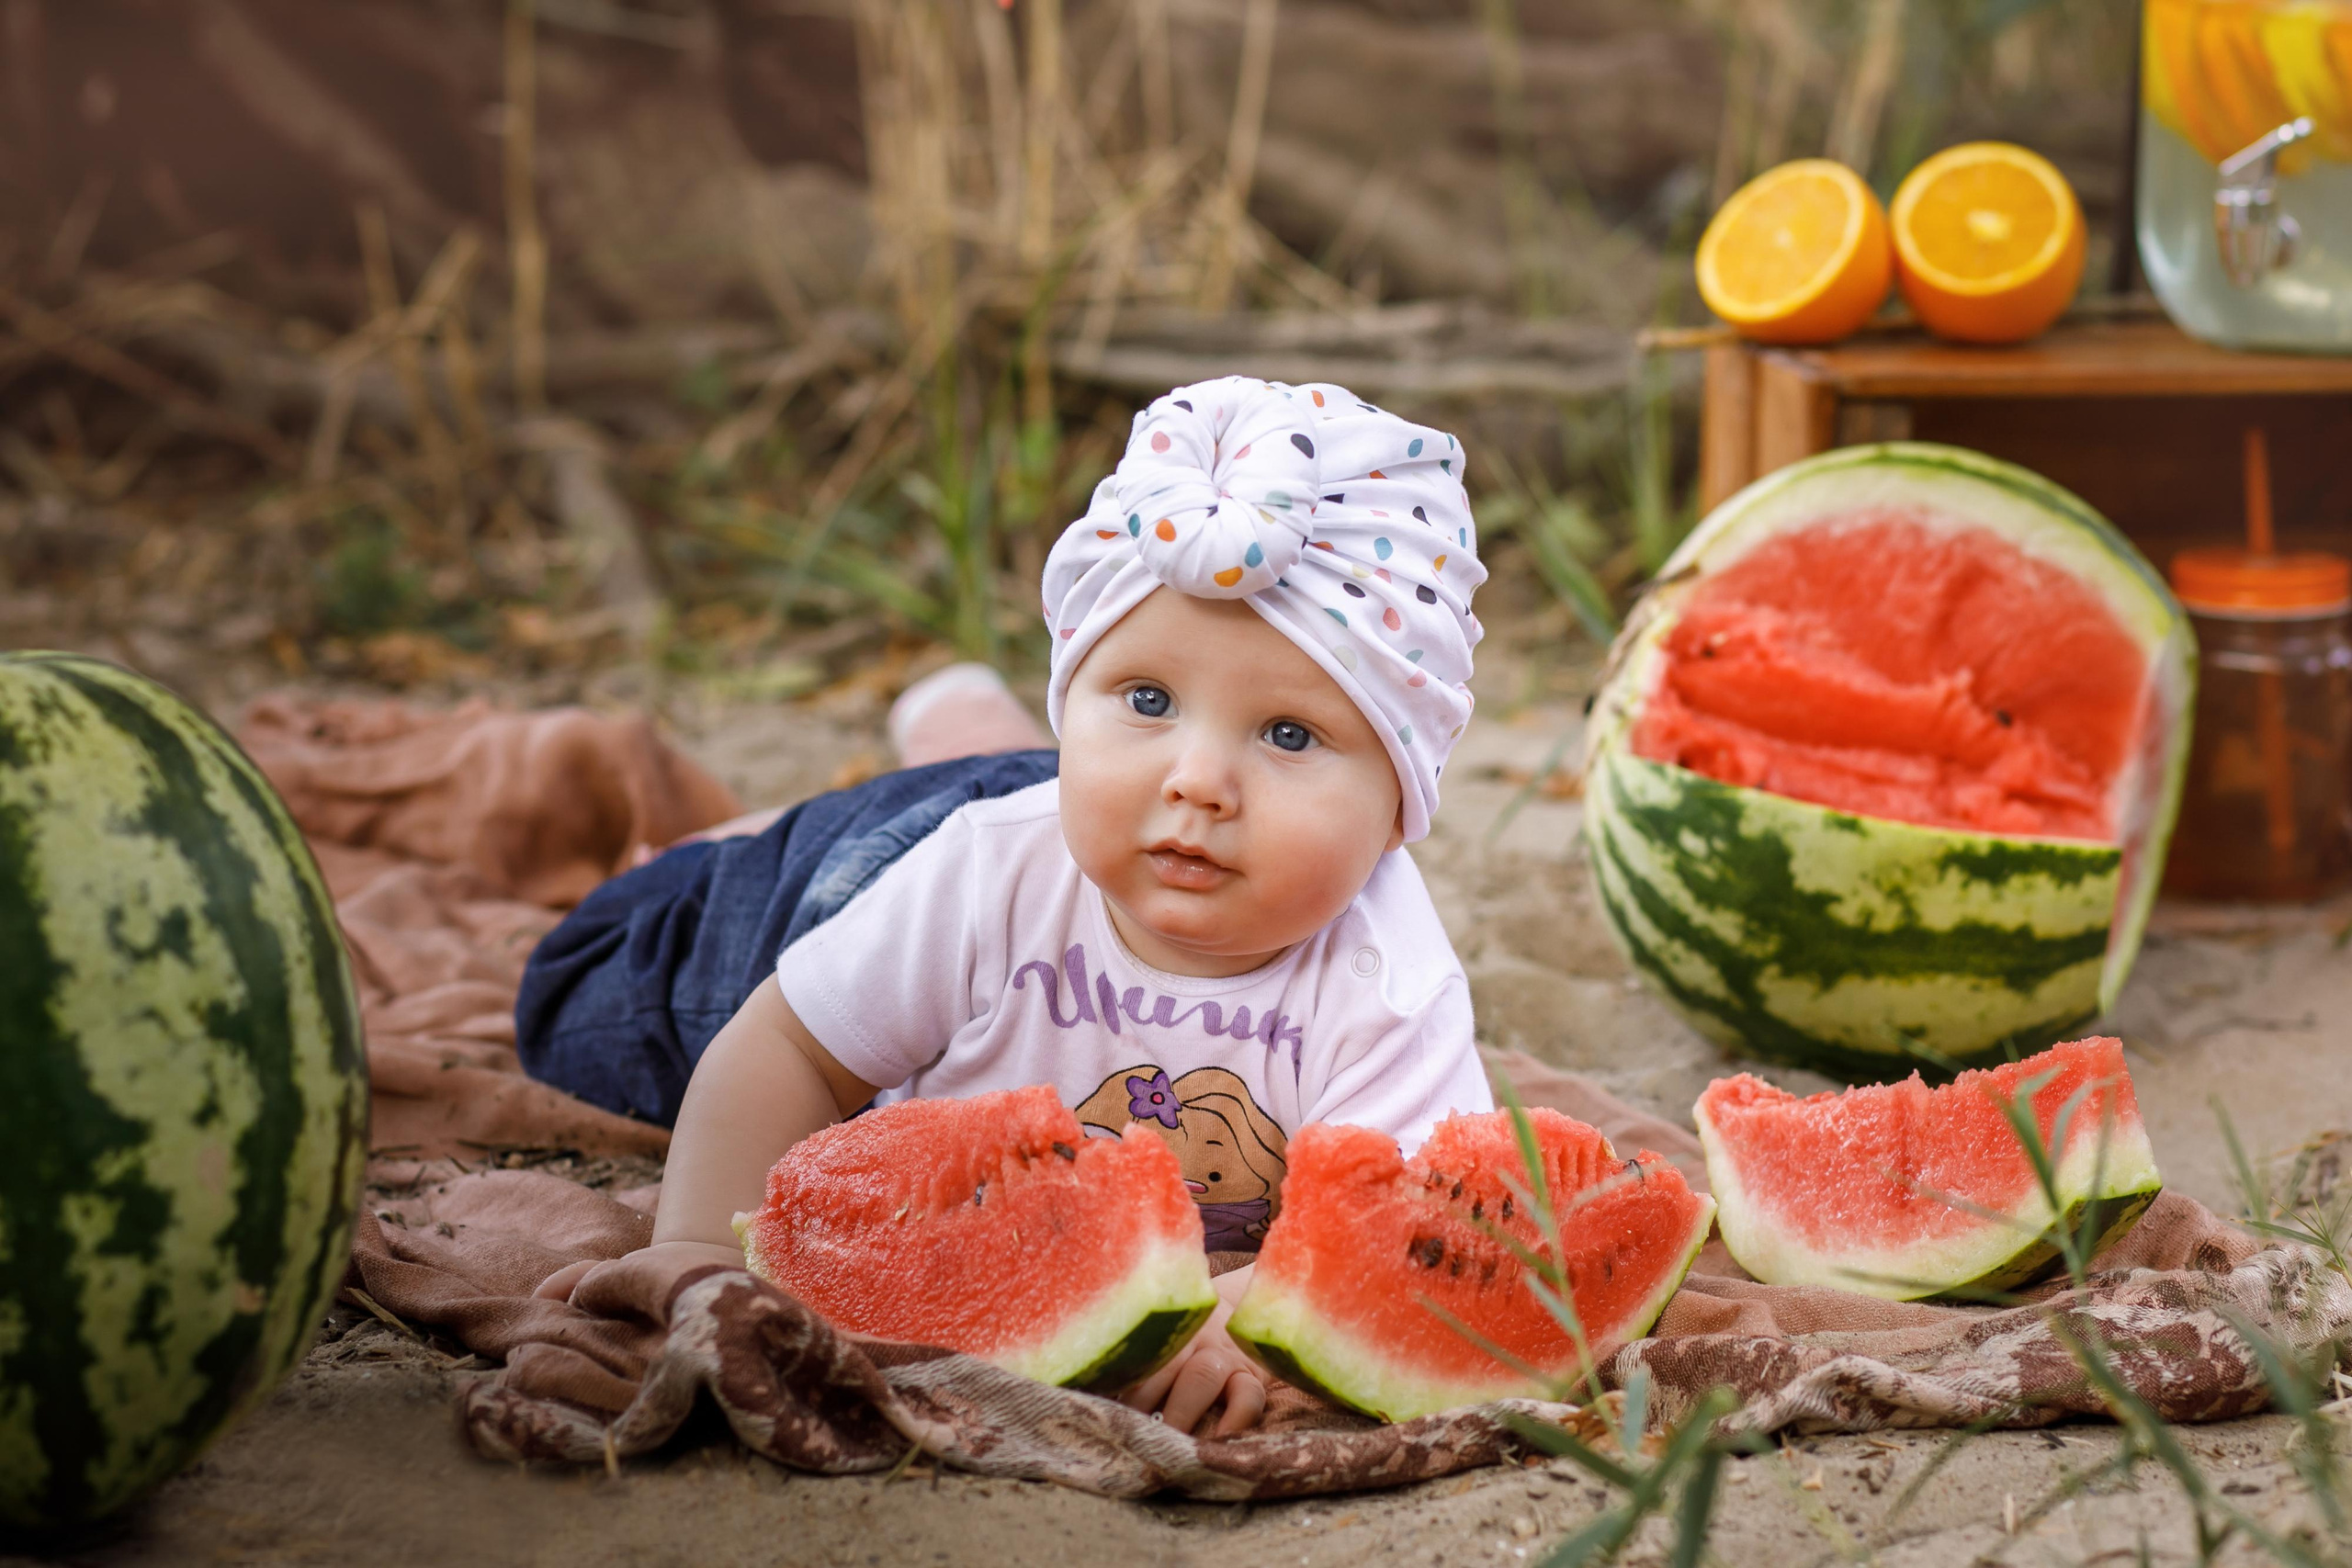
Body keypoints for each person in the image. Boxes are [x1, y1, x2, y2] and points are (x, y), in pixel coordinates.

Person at [518, 376, 1492, 1435]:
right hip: (882, 871)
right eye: (1148, 698)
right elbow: (789, 1047)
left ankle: (968, 723)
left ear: (1401, 804)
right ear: (1076, 691)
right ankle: (757, 836)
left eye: (1289, 734)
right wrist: (702, 1248)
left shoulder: (1388, 976)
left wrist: (1249, 1313)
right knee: (583, 1005)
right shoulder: (986, 874)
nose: (1198, 779)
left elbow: (1400, 1232)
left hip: (1073, 810)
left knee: (1035, 778)